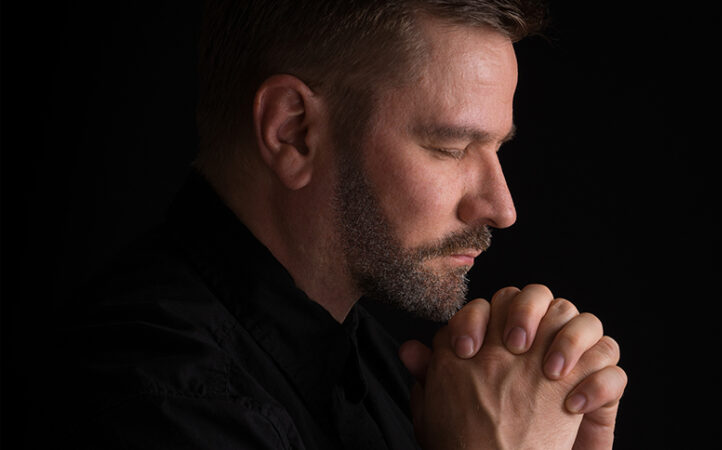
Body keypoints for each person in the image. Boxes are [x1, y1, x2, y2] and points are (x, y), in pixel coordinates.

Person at [50, 1, 627, 448]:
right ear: (293, 131)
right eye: (451, 147)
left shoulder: (378, 368)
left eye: (497, 149)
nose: (501, 208)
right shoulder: (154, 401)